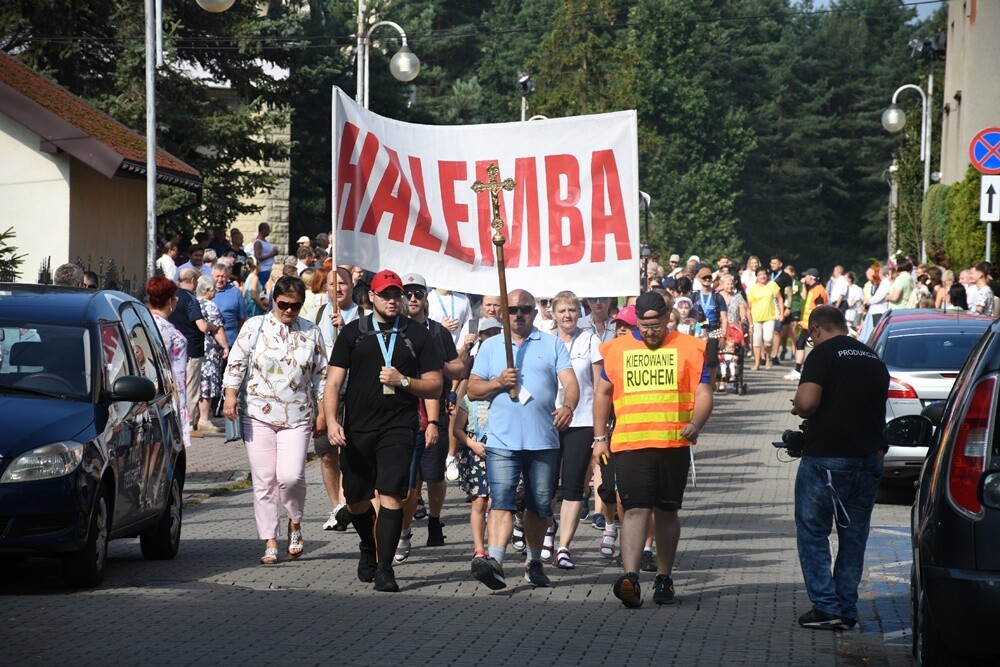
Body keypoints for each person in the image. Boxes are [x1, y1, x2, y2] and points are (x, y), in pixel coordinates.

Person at [323, 269, 444, 593]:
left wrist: (403, 381)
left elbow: (435, 386)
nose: (393, 300)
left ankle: (386, 567)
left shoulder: (418, 335)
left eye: (397, 294)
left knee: (391, 495)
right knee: (358, 501)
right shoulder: (353, 333)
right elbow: (333, 382)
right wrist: (333, 421)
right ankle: (367, 546)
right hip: (357, 429)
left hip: (399, 427)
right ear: (372, 297)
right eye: (386, 294)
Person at [592, 291, 713, 608]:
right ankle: (630, 578)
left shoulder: (689, 347)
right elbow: (603, 392)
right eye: (643, 325)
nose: (649, 331)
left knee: (667, 510)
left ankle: (664, 577)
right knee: (634, 509)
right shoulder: (617, 349)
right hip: (631, 443)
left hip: (672, 443)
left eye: (655, 324)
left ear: (667, 316)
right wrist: (599, 437)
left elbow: (703, 392)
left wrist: (696, 423)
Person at [466, 289, 578, 590]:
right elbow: (472, 390)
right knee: (501, 501)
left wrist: (568, 406)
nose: (519, 314)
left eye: (526, 309)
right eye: (513, 309)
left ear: (534, 312)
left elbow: (570, 382)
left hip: (543, 440)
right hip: (502, 440)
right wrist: (498, 382)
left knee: (540, 506)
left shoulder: (552, 343)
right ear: (504, 312)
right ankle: (496, 562)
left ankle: (533, 561)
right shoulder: (490, 347)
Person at [789, 305, 888, 630]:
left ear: (816, 329)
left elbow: (807, 403)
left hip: (828, 460)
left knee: (814, 532)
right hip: (869, 460)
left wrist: (797, 406)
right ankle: (846, 608)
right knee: (854, 536)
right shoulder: (872, 357)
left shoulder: (822, 355)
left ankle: (826, 606)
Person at [223, 276, 327, 566]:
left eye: (296, 306)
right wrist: (230, 395)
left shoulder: (311, 331)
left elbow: (322, 376)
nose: (289, 311)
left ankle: (295, 522)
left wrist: (323, 411)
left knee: (291, 476)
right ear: (272, 301)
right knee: (265, 479)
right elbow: (236, 363)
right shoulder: (254, 327)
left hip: (298, 413)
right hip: (258, 412)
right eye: (283, 304)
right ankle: (270, 539)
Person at [395, 272, 465, 560]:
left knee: (434, 476)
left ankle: (434, 521)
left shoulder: (438, 332)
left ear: (426, 298)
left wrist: (437, 365)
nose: (413, 299)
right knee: (409, 481)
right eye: (407, 293)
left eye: (418, 294)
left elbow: (458, 369)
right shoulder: (394, 330)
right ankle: (404, 532)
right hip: (403, 413)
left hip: (435, 409)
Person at [545, 290, 602, 569]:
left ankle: (564, 547)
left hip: (581, 421)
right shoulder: (543, 340)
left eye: (572, 310)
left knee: (573, 484)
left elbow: (599, 384)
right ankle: (546, 528)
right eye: (562, 311)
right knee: (544, 485)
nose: (567, 315)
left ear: (579, 313)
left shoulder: (590, 339)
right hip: (546, 421)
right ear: (552, 314)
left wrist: (601, 423)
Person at [451, 318, 504, 562]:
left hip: (499, 450)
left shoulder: (502, 394)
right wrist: (471, 445)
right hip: (475, 450)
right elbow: (457, 429)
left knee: (496, 503)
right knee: (479, 502)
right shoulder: (469, 398)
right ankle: (479, 548)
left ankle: (495, 547)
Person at [314, 266, 359, 531]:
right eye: (332, 284)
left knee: (350, 451)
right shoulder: (319, 314)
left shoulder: (362, 315)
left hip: (355, 390)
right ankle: (336, 507)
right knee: (328, 452)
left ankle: (347, 504)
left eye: (342, 283)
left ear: (351, 286)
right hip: (325, 392)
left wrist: (347, 330)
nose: (337, 288)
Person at [146, 276, 191, 448]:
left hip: (167, 393)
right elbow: (156, 362)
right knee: (161, 444)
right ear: (171, 301)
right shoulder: (161, 328)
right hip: (163, 395)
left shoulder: (149, 322)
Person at [168, 269, 213, 434]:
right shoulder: (190, 299)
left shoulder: (172, 295)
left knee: (175, 386)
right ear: (193, 280)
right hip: (192, 349)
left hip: (173, 348)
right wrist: (212, 326)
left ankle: (175, 423)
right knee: (191, 388)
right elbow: (201, 325)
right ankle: (188, 424)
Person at [195, 275, 230, 434]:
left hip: (196, 348)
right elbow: (217, 329)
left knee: (196, 381)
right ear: (208, 290)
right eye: (214, 288)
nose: (216, 290)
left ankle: (195, 417)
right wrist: (225, 346)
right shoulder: (210, 306)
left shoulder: (193, 303)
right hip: (209, 349)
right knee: (207, 382)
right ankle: (204, 418)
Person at [784, 269, 828, 381]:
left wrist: (816, 325)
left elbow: (819, 308)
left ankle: (820, 371)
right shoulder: (813, 289)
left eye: (807, 276)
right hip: (807, 324)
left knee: (816, 347)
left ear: (812, 277)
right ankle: (798, 370)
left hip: (813, 324)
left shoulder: (819, 290)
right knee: (800, 344)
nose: (805, 278)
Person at [746, 268, 782, 371]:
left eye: (764, 274)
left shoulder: (772, 285)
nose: (762, 276)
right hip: (756, 317)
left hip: (769, 316)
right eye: (760, 274)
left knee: (768, 339)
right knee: (756, 340)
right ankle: (757, 363)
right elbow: (748, 306)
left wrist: (781, 312)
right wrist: (750, 323)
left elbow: (779, 298)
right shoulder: (753, 289)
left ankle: (768, 357)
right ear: (756, 277)